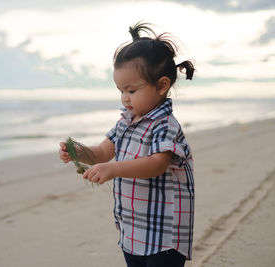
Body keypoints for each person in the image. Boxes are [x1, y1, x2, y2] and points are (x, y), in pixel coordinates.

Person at [59, 22, 195, 267]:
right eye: (121, 90)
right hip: (133, 230)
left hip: (163, 234)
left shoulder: (165, 125)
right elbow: (102, 153)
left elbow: (156, 164)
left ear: (162, 85)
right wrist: (78, 152)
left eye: (132, 90)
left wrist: (113, 170)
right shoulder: (124, 122)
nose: (124, 97)